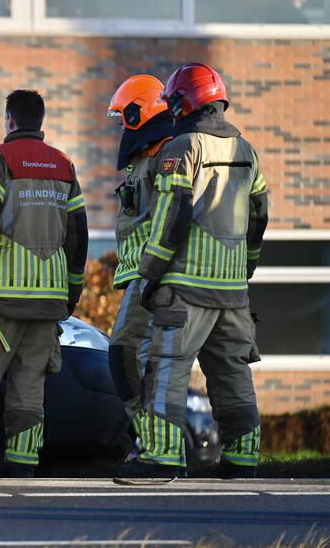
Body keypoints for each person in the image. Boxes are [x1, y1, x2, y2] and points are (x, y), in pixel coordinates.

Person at [119, 62, 268, 479]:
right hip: (232, 290)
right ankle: (243, 458)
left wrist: (150, 273)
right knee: (232, 372)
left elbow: (172, 215)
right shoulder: (247, 150)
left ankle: (162, 455)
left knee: (166, 367)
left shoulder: (181, 148)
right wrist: (245, 266)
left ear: (184, 102)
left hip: (184, 286)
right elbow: (259, 216)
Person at [0, 89, 88, 478]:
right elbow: (78, 234)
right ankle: (23, 465)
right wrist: (71, 291)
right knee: (30, 385)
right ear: (41, 120)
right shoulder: (64, 164)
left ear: (10, 119)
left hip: (0, 297)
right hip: (49, 298)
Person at [106, 75, 175, 424]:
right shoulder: (147, 156)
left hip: (151, 274)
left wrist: (152, 271)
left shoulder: (166, 153)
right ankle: (149, 438)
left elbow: (171, 216)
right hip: (141, 275)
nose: (122, 127)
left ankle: (148, 434)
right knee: (141, 360)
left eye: (124, 117)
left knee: (126, 355)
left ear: (139, 113)